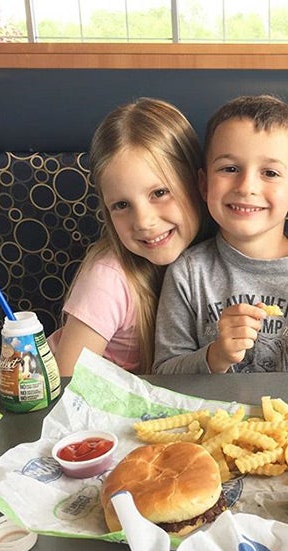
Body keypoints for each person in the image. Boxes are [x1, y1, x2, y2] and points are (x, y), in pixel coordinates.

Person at [152, 94, 288, 374]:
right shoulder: (187, 274)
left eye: (270, 173)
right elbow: (163, 373)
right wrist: (215, 356)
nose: (247, 187)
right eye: (230, 168)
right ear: (204, 185)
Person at [50, 98, 212, 376]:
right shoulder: (108, 277)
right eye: (122, 205)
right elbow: (67, 386)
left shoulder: (214, 259)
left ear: (197, 183)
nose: (144, 222)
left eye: (159, 193)